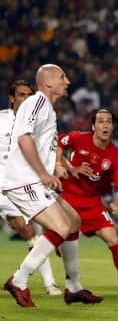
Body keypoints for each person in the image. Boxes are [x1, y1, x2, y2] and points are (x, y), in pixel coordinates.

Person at [2, 64, 102, 307]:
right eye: (62, 77)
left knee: (73, 221)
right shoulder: (37, 102)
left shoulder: (47, 108)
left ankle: (74, 287)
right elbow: (24, 138)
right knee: (61, 226)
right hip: (24, 180)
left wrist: (57, 167)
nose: (67, 81)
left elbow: (43, 144)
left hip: (36, 180)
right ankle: (19, 280)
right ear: (48, 83)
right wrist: (43, 174)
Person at [55, 107, 118, 295]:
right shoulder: (79, 138)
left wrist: (117, 204)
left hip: (92, 203)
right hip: (66, 196)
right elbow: (58, 143)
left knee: (113, 239)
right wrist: (62, 165)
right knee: (61, 234)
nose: (105, 125)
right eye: (100, 121)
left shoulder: (116, 156)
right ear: (93, 126)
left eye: (108, 122)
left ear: (113, 127)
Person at [0, 79, 61, 296]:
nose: (26, 99)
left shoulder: (37, 122)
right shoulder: (1, 119)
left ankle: (46, 282)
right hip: (3, 180)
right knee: (31, 230)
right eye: (21, 95)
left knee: (34, 229)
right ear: (12, 98)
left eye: (29, 95)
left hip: (19, 182)